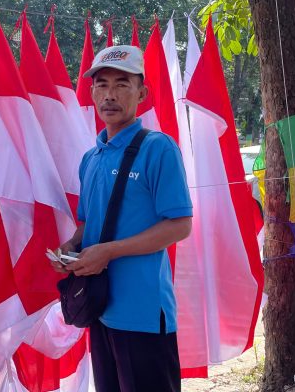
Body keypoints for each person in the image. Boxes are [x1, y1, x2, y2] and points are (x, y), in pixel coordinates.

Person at [50, 45, 193, 392]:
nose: (109, 95)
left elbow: (180, 225)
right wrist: (71, 246)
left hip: (143, 310)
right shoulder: (91, 158)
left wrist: (109, 252)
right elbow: (87, 223)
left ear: (141, 93)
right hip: (99, 306)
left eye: (122, 84)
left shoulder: (158, 148)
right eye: (101, 85)